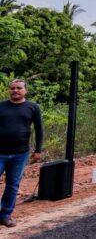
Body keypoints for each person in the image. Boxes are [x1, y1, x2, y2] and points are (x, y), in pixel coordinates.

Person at [0, 80, 43, 228]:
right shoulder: (1, 107)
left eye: (19, 88)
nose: (15, 90)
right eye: (12, 88)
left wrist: (38, 150)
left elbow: (39, 129)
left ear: (25, 90)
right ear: (9, 90)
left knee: (12, 185)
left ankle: (5, 215)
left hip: (20, 154)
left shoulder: (32, 107)